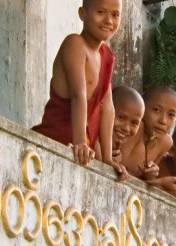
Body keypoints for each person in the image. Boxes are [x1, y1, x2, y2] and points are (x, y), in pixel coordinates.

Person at [32, 0, 127, 181]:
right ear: (82, 14)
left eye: (115, 15)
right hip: (57, 139)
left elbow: (107, 107)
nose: (109, 20)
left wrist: (107, 159)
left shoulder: (105, 55)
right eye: (101, 12)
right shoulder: (75, 44)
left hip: (86, 151)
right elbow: (79, 95)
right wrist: (80, 142)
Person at [119, 84, 176, 183]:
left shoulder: (166, 142)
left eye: (171, 115)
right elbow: (120, 168)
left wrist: (149, 174)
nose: (163, 121)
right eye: (156, 110)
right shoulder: (135, 129)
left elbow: (145, 178)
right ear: (142, 107)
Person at [95, 85, 145, 164]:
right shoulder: (93, 140)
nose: (126, 128)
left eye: (134, 123)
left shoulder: (116, 150)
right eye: (121, 118)